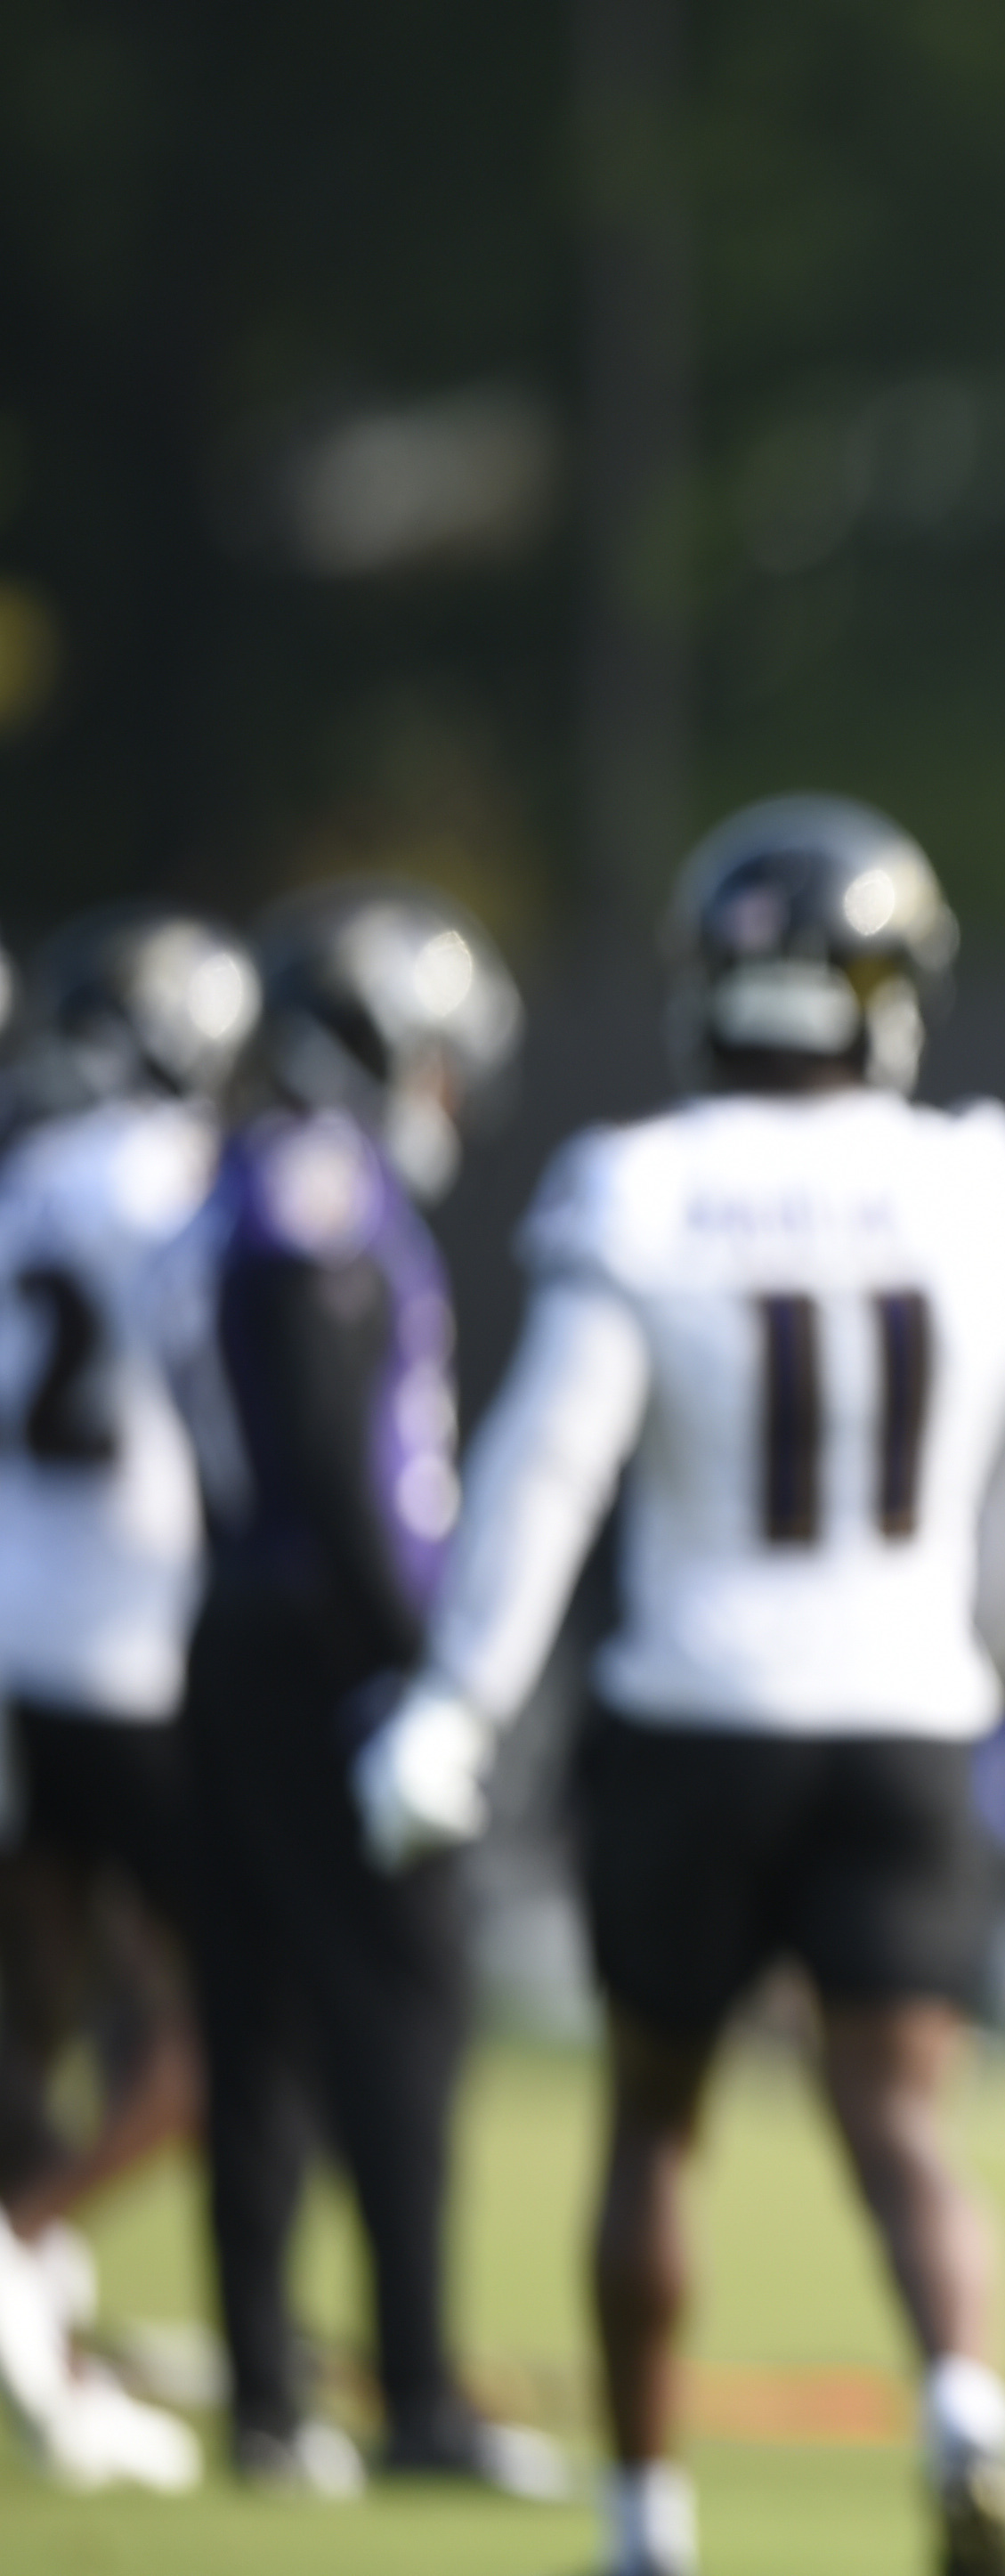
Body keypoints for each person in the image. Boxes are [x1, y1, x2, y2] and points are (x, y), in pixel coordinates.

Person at [352, 801, 1005, 2576]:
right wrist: (961, 1668)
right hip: (903, 1708)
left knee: (653, 2125)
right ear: (883, 991)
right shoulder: (977, 1184)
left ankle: (647, 2519)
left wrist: (456, 1706)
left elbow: (543, 1479)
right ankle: (964, 2412)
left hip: (690, 1710)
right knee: (905, 2118)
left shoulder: (644, 1186)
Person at [153, 882, 556, 2499]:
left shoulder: (248, 1174)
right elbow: (332, 1454)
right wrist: (422, 1663)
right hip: (324, 1638)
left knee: (255, 2022)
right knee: (396, 2016)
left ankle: (268, 2393)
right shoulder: (319, 1181)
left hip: (233, 1627)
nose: (447, 1088)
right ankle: (412, 2393)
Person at [0, 906, 251, 2495]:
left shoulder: (26, 1180)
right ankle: (23, 2248)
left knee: (26, 2014)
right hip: (144, 1655)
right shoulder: (188, 1186)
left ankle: (49, 2328)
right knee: (218, 2020)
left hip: (16, 1646)